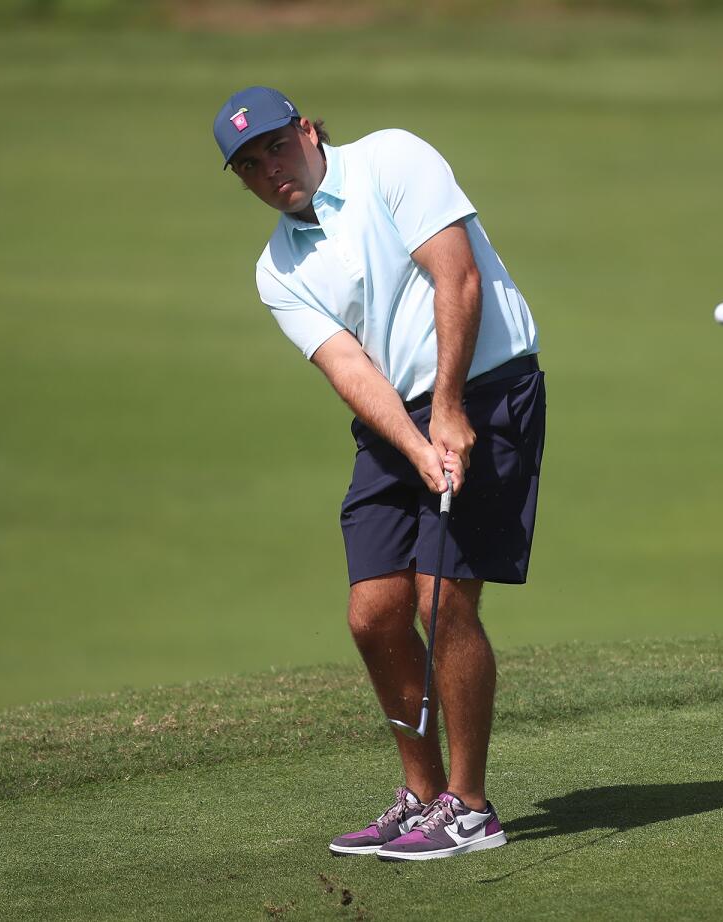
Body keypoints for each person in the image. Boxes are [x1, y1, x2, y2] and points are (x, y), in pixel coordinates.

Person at [212, 87, 545, 862]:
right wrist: (416, 440)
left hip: (488, 391)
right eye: (249, 165)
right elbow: (348, 367)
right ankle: (421, 794)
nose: (270, 170)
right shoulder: (278, 267)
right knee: (374, 615)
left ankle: (470, 810)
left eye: (275, 147)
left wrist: (451, 411)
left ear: (305, 129)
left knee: (442, 597)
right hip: (394, 420)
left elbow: (456, 278)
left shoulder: (392, 158)